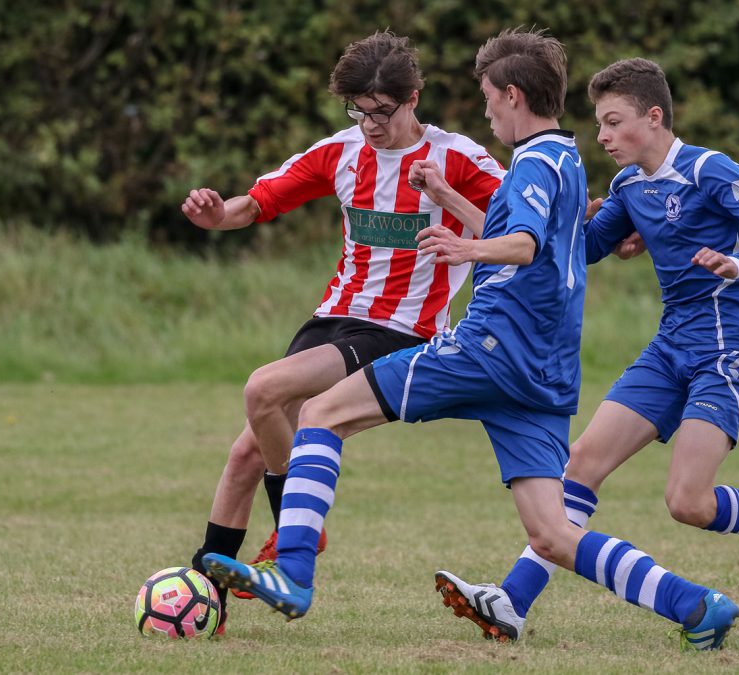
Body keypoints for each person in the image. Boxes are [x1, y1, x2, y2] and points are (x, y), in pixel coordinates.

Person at [202, 28, 739, 651]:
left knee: (321, 414)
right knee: (552, 534)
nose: (485, 111)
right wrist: (450, 200)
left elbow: (524, 245)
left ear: (512, 95)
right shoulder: (565, 158)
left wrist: (466, 247)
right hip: (544, 371)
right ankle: (697, 604)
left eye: (487, 97)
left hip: (488, 349)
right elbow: (543, 241)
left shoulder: (533, 161)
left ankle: (294, 572)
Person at [434, 57, 739, 643]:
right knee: (582, 464)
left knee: (689, 502)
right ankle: (512, 603)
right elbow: (570, 250)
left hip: (731, 343)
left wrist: (737, 262)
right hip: (673, 341)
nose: (600, 136)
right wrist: (456, 200)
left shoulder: (707, 169)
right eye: (598, 123)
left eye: (613, 121)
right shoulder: (628, 186)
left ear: (653, 118)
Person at [179, 30, 504, 631]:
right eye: (357, 110)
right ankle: (206, 597)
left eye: (380, 111)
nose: (369, 124)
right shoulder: (340, 151)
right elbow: (255, 204)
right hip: (334, 319)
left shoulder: (457, 157)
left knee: (261, 391)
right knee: (248, 449)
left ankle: (297, 532)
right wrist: (215, 215)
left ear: (413, 98)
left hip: (403, 329)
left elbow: (525, 218)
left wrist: (606, 223)